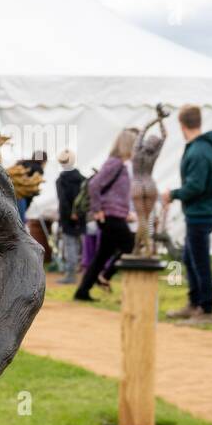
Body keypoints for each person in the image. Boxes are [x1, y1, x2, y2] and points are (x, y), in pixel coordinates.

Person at [162, 104, 212, 323]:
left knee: (199, 261)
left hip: (200, 213)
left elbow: (196, 186)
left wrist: (173, 194)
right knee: (190, 257)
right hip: (204, 211)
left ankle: (205, 309)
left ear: (181, 124)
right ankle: (194, 302)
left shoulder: (198, 150)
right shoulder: (208, 147)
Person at [74, 128, 137, 301]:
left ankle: (82, 292)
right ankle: (108, 278)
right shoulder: (114, 163)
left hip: (115, 215)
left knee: (102, 256)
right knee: (132, 246)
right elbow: (94, 185)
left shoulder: (120, 164)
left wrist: (125, 213)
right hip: (109, 217)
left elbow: (114, 195)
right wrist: (97, 210)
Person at [54, 149, 84, 284]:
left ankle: (71, 274)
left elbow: (63, 201)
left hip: (67, 218)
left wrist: (68, 215)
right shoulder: (82, 179)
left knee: (70, 245)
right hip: (82, 217)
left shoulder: (61, 180)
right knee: (80, 245)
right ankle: (81, 272)